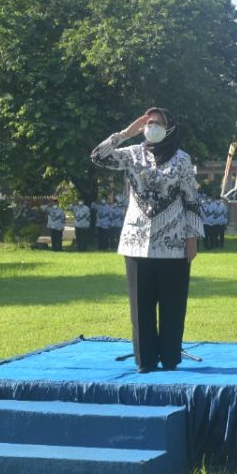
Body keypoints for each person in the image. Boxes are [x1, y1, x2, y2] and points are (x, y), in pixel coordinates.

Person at [92, 107, 203, 373]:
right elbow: (98, 156)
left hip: (173, 242)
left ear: (170, 128)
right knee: (140, 308)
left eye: (158, 123)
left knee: (172, 304)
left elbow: (191, 198)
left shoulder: (182, 160)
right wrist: (125, 133)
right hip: (136, 241)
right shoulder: (132, 155)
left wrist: (193, 237)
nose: (152, 126)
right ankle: (146, 360)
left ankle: (170, 358)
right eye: (149, 122)